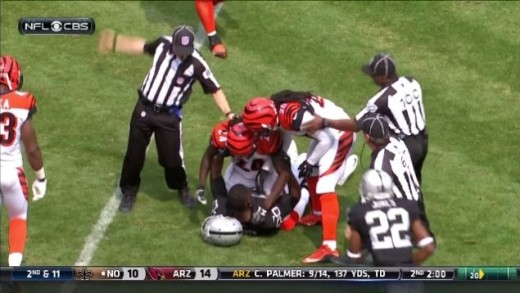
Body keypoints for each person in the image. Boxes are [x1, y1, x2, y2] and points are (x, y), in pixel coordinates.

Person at [112, 25, 236, 212]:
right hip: (144, 108)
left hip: (168, 116)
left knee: (172, 159)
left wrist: (229, 113)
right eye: (179, 50)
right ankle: (128, 192)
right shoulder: (163, 44)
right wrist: (117, 43)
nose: (182, 55)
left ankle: (181, 188)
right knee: (134, 154)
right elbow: (145, 47)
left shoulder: (196, 64)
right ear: (173, 43)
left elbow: (215, 88)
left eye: (186, 51)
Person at [242, 92, 357, 263]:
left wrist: (310, 162)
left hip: (339, 134)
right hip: (325, 133)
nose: (257, 133)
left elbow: (325, 139)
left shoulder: (293, 116)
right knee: (309, 173)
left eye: (257, 128)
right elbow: (285, 134)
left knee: (325, 185)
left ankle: (329, 247)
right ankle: (318, 214)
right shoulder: (278, 114)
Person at [302, 53, 428, 183]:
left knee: (391, 187)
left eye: (374, 75)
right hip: (422, 141)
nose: (372, 78)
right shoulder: (412, 82)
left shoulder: (382, 99)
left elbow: (355, 125)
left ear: (384, 76)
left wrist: (324, 122)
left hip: (404, 147)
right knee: (413, 185)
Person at [338, 169, 435, 293]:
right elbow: (428, 248)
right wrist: (409, 264)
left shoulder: (358, 212)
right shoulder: (408, 205)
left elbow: (354, 257)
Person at [0, 55, 47, 266]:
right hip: (12, 173)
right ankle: (13, 271)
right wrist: (41, 177)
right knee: (18, 218)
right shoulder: (23, 100)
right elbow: (32, 148)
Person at [360, 113, 434, 239]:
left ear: (367, 137)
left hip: (403, 210)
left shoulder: (380, 163)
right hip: (416, 198)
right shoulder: (397, 141)